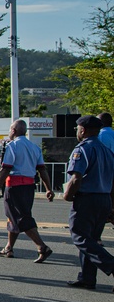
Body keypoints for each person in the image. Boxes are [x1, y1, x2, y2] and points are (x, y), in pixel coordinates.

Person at [0, 119, 55, 262]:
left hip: (15, 186)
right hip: (29, 186)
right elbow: (42, 170)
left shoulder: (12, 146)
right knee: (14, 216)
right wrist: (48, 188)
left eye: (10, 130)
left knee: (21, 218)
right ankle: (9, 247)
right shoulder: (34, 147)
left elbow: (6, 168)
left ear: (13, 131)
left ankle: (42, 247)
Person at [62, 115, 114, 290]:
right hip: (104, 198)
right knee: (91, 239)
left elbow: (76, 177)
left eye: (77, 129)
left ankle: (111, 264)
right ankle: (87, 277)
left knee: (80, 236)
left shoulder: (82, 149)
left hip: (87, 199)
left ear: (82, 130)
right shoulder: (107, 150)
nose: (77, 131)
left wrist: (68, 195)